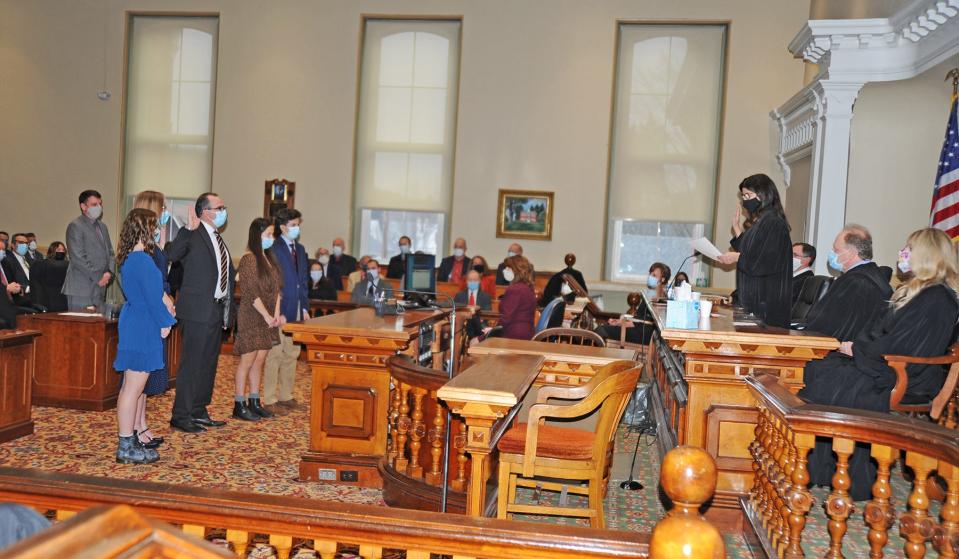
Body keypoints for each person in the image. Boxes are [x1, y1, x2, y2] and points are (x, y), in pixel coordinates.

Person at [799, 227, 959, 501]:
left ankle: (853, 477)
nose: (902, 253)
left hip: (906, 373)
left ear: (925, 255)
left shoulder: (937, 298)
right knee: (823, 369)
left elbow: (904, 345)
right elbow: (880, 331)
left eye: (909, 248)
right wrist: (856, 347)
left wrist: (858, 350)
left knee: (834, 379)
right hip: (885, 361)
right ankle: (823, 468)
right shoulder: (915, 291)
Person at [165, 192, 235, 434]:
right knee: (192, 364)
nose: (224, 211)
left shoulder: (217, 237)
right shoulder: (193, 234)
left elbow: (223, 276)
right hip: (196, 311)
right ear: (205, 211)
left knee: (208, 364)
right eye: (220, 207)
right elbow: (171, 255)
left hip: (215, 310)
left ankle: (198, 410)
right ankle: (180, 415)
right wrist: (186, 229)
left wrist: (228, 312)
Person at [112, 208, 176, 464]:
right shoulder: (142, 260)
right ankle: (125, 445)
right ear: (145, 229)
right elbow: (152, 298)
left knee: (134, 388)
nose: (157, 230)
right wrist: (166, 322)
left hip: (136, 320)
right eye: (154, 226)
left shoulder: (132, 257)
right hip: (143, 324)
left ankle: (130, 440)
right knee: (132, 388)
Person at [130, 190, 176, 447]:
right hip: (148, 314)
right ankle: (135, 430)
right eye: (163, 207)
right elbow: (151, 284)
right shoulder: (141, 249)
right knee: (137, 382)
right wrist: (165, 300)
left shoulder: (153, 242)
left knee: (145, 381)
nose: (166, 211)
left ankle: (141, 425)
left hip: (158, 309)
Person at [718, 174, 792, 328]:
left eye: (748, 195)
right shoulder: (761, 222)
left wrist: (737, 257)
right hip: (753, 304)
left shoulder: (774, 223)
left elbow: (764, 262)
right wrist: (737, 228)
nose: (745, 200)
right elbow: (750, 250)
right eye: (743, 196)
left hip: (766, 306)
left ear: (763, 194)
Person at [802, 226, 893, 341]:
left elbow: (827, 324)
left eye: (836, 250)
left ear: (850, 254)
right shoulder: (873, 275)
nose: (832, 254)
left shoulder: (855, 282)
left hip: (838, 353)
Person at [232, 218, 283, 421]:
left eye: (272, 235)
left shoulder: (268, 259)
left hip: (269, 318)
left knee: (260, 360)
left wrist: (276, 315)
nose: (271, 239)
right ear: (257, 236)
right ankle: (239, 403)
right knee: (247, 360)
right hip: (253, 315)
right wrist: (267, 315)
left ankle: (254, 400)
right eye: (267, 235)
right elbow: (251, 293)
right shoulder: (249, 259)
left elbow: (277, 290)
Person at [263, 208, 308, 415]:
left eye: (298, 224)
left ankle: (286, 396)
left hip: (297, 309)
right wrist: (276, 310)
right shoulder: (273, 247)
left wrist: (305, 308)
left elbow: (303, 282)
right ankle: (270, 398)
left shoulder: (300, 249)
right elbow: (273, 281)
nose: (297, 228)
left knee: (292, 353)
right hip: (279, 309)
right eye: (293, 225)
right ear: (283, 227)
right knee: (275, 353)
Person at [63, 190, 115, 311]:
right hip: (81, 288)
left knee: (97, 327)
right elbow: (78, 258)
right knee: (81, 328)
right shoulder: (75, 226)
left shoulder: (103, 227)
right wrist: (99, 277)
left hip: (101, 287)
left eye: (100, 204)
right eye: (94, 204)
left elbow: (111, 253)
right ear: (83, 206)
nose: (99, 207)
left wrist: (109, 273)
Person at [596, 262, 670, 344]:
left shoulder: (659, 299)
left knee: (601, 330)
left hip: (644, 335)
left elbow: (643, 323)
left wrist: (620, 323)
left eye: (654, 275)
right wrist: (619, 322)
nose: (650, 277)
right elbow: (639, 320)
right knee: (602, 329)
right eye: (650, 274)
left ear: (662, 279)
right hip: (639, 329)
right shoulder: (649, 294)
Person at [486, 256, 536, 340]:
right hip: (526, 333)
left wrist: (490, 332)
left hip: (513, 335)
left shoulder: (515, 289)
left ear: (516, 271)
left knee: (474, 342)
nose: (504, 271)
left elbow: (506, 318)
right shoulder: (527, 287)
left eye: (508, 268)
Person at [30, 242, 68, 312]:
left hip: (63, 299)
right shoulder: (42, 264)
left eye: (63, 250)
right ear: (52, 250)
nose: (62, 252)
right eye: (59, 250)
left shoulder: (67, 265)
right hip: (48, 299)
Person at [0, 238, 20, 329]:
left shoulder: (4, 264)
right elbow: (5, 287)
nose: (2, 252)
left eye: (3, 250)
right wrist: (6, 288)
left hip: (9, 302)